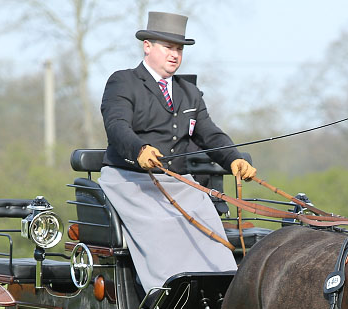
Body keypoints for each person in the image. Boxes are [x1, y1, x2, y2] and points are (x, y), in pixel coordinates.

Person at [98, 11, 257, 293]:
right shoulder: (123, 82)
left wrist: (234, 159)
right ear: (147, 46)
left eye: (179, 49)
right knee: (164, 227)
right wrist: (139, 150)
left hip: (179, 182)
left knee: (212, 230)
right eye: (168, 47)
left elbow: (210, 134)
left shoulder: (190, 93)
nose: (175, 55)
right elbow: (117, 126)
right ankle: (165, 297)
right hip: (130, 180)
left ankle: (225, 295)